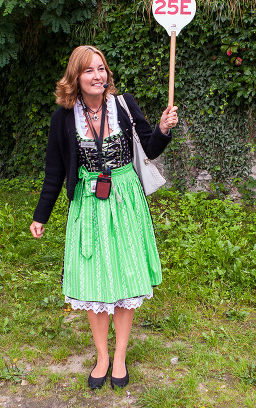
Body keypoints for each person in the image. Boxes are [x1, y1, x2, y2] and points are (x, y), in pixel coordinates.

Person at [30, 45, 177, 390]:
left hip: (125, 198)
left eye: (102, 69)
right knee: (93, 282)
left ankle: (121, 356)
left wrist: (162, 128)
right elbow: (54, 172)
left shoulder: (124, 105)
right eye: (89, 71)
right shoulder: (63, 118)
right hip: (88, 202)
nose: (98, 76)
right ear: (76, 78)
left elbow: (151, 148)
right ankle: (102, 357)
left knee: (126, 278)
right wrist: (41, 216)